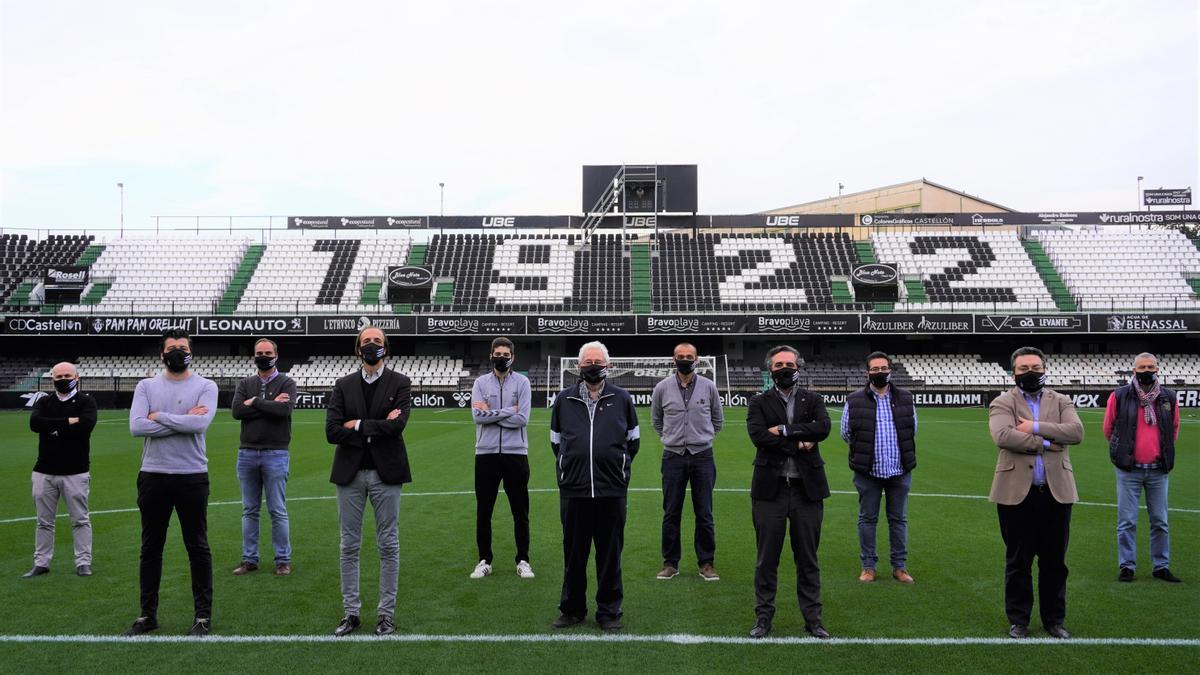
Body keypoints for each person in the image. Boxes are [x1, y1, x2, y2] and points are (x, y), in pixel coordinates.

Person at [126, 330, 219, 637]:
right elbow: (137, 427)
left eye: (182, 347)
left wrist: (161, 417)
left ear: (191, 352)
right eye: (172, 348)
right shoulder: (146, 385)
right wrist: (181, 420)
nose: (177, 352)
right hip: (153, 475)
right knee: (151, 548)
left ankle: (202, 616)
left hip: (192, 475)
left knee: (198, 547)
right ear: (162, 354)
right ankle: (147, 615)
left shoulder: (206, 385)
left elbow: (200, 424)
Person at [988, 346, 1083, 640]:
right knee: (1018, 561)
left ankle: (1054, 620)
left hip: (1056, 492)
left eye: (1036, 367)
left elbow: (1076, 432)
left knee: (1055, 562)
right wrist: (1046, 442)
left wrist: (1034, 427)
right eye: (1023, 369)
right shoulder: (1002, 401)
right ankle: (1019, 621)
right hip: (1016, 494)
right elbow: (1003, 436)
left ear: (1045, 368)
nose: (1031, 373)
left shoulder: (1062, 400)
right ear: (1013, 372)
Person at [325, 327, 412, 637]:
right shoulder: (343, 384)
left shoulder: (401, 382)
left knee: (388, 545)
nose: (372, 345)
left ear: (386, 347)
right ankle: (351, 613)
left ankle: (385, 615)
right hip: (349, 475)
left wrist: (358, 425)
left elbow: (398, 426)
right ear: (357, 349)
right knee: (349, 545)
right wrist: (378, 426)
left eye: (377, 341)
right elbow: (332, 431)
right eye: (366, 342)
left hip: (386, 474)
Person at [549, 341, 640, 632]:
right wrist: (569, 468)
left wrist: (617, 468)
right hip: (574, 491)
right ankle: (573, 609)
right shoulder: (564, 400)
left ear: (608, 366)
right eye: (587, 361)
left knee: (609, 554)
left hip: (611, 491)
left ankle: (609, 612)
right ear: (578, 366)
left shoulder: (622, 398)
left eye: (597, 361)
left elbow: (633, 441)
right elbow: (555, 442)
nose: (592, 365)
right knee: (574, 555)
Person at [746, 345, 831, 639]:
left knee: (808, 559)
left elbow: (822, 428)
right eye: (779, 364)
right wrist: (798, 440)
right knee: (766, 559)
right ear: (771, 370)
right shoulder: (758, 402)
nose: (784, 368)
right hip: (770, 491)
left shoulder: (814, 398)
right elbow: (758, 436)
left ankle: (813, 620)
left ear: (798, 367)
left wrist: (782, 430)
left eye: (789, 364)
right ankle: (763, 619)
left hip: (807, 491)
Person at [1104, 352, 1181, 583]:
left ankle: (1161, 566)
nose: (1146, 370)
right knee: (1127, 521)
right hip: (1129, 470)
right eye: (1142, 367)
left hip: (1158, 470)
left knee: (1160, 520)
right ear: (1133, 370)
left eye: (1150, 366)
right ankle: (1127, 566)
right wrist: (1123, 453)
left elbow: (1173, 429)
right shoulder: (1119, 396)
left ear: (1158, 369)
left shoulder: (1168, 397)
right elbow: (1109, 429)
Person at [840, 351, 917, 584]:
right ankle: (868, 566)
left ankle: (899, 567)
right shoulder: (854, 400)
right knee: (867, 519)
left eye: (883, 368)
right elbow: (845, 433)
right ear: (867, 373)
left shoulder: (905, 397)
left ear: (890, 371)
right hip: (868, 472)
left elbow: (911, 429)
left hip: (899, 470)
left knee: (898, 519)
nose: (880, 372)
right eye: (875, 369)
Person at [650, 342, 724, 581]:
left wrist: (703, 438)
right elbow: (656, 420)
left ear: (697, 359)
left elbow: (718, 419)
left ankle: (706, 563)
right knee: (671, 512)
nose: (684, 359)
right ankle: (670, 563)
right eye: (680, 356)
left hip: (703, 456)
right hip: (673, 457)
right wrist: (669, 439)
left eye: (688, 356)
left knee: (704, 512)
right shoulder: (662, 388)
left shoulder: (709, 386)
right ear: (673, 359)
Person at [230, 338, 298, 577]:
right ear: (254, 355)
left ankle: (282, 560)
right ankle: (250, 559)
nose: (263, 355)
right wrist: (269, 405)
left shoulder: (287, 383)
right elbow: (237, 411)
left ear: (276, 355)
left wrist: (256, 402)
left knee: (277, 510)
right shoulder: (245, 383)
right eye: (260, 352)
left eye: (268, 352)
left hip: (276, 453)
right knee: (250, 510)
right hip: (247, 452)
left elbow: (284, 411)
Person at [469, 337, 534, 580]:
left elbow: (523, 419)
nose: (501, 358)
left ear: (513, 358)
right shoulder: (479, 383)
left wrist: (492, 413)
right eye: (497, 353)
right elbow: (478, 416)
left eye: (506, 354)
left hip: (516, 454)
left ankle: (523, 559)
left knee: (520, 511)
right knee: (484, 511)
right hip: (485, 454)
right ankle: (484, 560)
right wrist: (510, 410)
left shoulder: (523, 383)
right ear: (491, 355)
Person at [25, 362, 98, 578]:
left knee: (80, 519)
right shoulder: (45, 401)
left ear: (77, 377)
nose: (63, 379)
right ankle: (41, 563)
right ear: (52, 379)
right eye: (59, 376)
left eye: (67, 375)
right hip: (44, 471)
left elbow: (86, 425)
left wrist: (53, 427)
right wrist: (68, 422)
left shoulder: (86, 401)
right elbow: (35, 423)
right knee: (44, 521)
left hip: (76, 471)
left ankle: (83, 562)